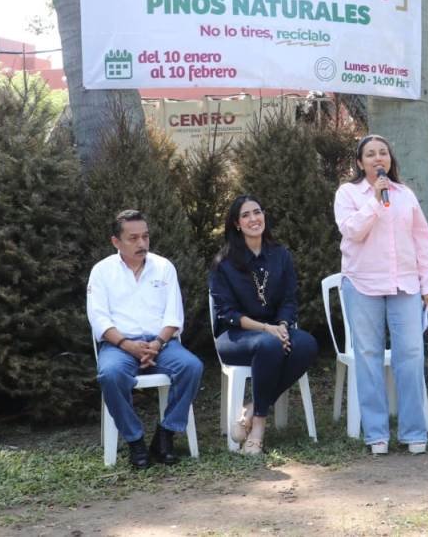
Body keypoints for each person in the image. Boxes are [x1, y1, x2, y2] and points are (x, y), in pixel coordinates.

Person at [334, 135, 428, 455]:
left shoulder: (405, 194)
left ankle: (414, 431)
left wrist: (427, 285)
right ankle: (376, 433)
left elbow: (422, 241)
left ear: (390, 159)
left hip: (404, 284)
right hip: (363, 284)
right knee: (368, 358)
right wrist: (375, 201)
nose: (378, 158)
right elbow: (352, 231)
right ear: (360, 162)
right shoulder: (349, 194)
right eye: (370, 154)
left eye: (383, 152)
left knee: (411, 355)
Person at [87, 209, 204, 469]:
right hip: (119, 345)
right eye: (133, 238)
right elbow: (99, 319)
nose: (142, 244)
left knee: (192, 367)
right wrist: (128, 346)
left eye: (145, 237)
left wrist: (157, 344)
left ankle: (166, 434)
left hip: (160, 343)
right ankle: (135, 440)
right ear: (116, 242)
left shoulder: (164, 267)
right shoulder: (102, 272)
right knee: (110, 374)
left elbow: (174, 316)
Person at [210, 195, 319, 455]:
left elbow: (290, 299)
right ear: (237, 224)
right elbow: (228, 313)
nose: (253, 219)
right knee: (269, 345)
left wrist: (281, 324)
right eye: (245, 215)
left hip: (273, 330)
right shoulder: (223, 263)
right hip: (235, 336)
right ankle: (258, 425)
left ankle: (250, 410)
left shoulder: (280, 255)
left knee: (306, 344)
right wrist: (266, 329)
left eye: (257, 212)